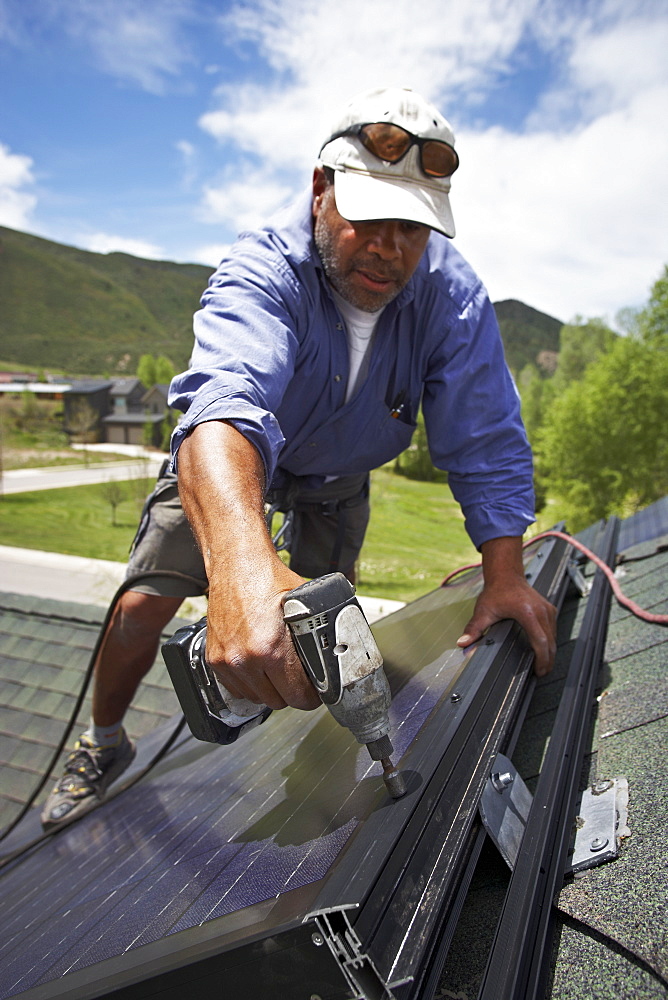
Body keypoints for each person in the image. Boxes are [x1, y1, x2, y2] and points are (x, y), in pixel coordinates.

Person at [41, 86, 556, 829]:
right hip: (237, 467)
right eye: (368, 217)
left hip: (338, 486)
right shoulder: (264, 267)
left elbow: (486, 434)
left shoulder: (453, 297)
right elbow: (225, 401)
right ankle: (104, 742)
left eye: (412, 229)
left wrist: (504, 575)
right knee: (142, 605)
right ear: (321, 190)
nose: (389, 248)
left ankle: (290, 746)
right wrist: (242, 570)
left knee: (318, 633)